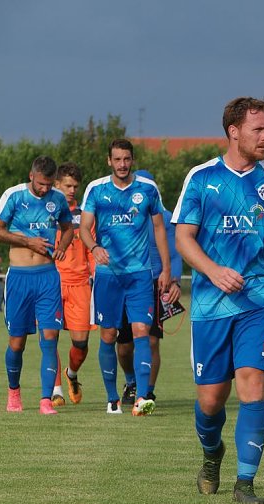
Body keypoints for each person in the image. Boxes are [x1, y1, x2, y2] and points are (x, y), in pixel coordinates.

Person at [173, 96, 264, 504]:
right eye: (258, 129)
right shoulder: (202, 178)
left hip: (260, 301)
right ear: (233, 131)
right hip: (210, 304)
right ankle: (212, 453)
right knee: (210, 401)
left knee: (253, 384)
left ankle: (245, 483)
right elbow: (183, 238)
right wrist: (213, 271)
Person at [80, 139, 171, 416]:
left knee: (142, 331)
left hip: (140, 275)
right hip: (108, 276)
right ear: (109, 160)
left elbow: (159, 228)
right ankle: (112, 398)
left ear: (132, 160)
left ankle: (142, 398)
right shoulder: (96, 189)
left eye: (127, 159)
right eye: (117, 159)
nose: (122, 164)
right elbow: (84, 228)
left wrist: (166, 269)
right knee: (108, 334)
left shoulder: (147, 189)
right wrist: (94, 247)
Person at [0, 155, 74, 414]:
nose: (44, 189)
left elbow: (68, 228)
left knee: (50, 338)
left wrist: (62, 246)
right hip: (20, 277)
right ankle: (14, 391)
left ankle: (46, 400)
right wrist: (28, 242)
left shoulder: (58, 199)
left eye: (48, 184)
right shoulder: (13, 196)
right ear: (31, 176)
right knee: (17, 342)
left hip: (48, 277)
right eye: (40, 184)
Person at [116, 170, 183, 406]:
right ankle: (131, 382)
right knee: (125, 347)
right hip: (126, 282)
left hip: (156, 283)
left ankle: (148, 392)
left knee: (152, 341)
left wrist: (175, 281)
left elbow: (176, 253)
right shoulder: (122, 215)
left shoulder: (166, 218)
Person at [50, 162, 93, 407]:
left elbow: (91, 249)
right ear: (56, 184)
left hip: (80, 285)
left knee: (81, 343)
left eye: (75, 186)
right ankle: (56, 390)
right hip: (52, 283)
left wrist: (96, 276)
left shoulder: (85, 215)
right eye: (67, 185)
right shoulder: (46, 212)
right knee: (50, 338)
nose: (72, 190)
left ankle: (72, 374)